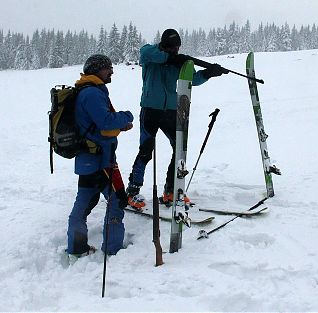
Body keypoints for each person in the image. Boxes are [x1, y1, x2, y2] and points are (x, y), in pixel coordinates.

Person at [126, 29, 226, 209]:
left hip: (172, 110)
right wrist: (169, 58)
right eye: (172, 48)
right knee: (146, 150)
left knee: (179, 148)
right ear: (163, 45)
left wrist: (208, 73)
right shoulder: (150, 54)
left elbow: (192, 80)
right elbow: (146, 52)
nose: (175, 51)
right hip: (150, 109)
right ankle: (132, 191)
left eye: (177, 48)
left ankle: (170, 191)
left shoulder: (181, 61)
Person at [67, 54, 134, 257]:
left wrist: (118, 126)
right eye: (108, 68)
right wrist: (126, 117)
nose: (111, 71)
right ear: (97, 70)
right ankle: (112, 250)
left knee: (84, 203)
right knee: (117, 201)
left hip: (89, 159)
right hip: (100, 160)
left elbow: (100, 125)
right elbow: (105, 122)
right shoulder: (92, 94)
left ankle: (77, 248)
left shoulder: (87, 90)